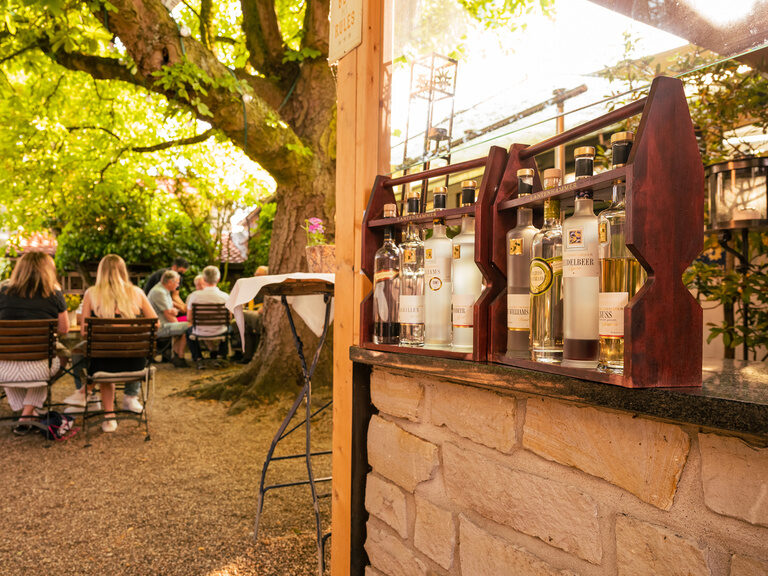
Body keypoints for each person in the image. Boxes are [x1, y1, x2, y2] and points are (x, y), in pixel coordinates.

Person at [79, 254, 158, 433]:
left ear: (100, 272)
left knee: (101, 356)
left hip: (103, 366)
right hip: (135, 364)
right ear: (123, 271)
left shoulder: (91, 293)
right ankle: (129, 397)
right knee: (112, 353)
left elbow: (84, 331)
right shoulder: (137, 292)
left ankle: (108, 416)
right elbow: (155, 323)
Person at [0, 252, 70, 435]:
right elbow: (64, 329)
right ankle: (27, 414)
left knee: (13, 363)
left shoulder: (2, 292)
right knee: (54, 363)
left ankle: (26, 412)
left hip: (3, 369)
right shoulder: (54, 294)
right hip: (39, 368)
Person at [185, 266, 230, 370]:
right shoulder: (225, 296)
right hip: (220, 331)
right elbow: (229, 317)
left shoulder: (194, 296)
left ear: (204, 280)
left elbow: (189, 318)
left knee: (188, 331)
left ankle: (198, 358)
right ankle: (220, 355)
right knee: (229, 329)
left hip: (199, 332)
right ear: (218, 279)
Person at [148, 270, 189, 367]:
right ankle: (179, 357)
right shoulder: (160, 292)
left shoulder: (162, 290)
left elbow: (171, 311)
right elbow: (169, 316)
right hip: (160, 327)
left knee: (185, 327)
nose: (178, 285)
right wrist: (178, 322)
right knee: (189, 327)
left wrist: (175, 311)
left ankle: (177, 356)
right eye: (177, 282)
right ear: (170, 282)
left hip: (161, 324)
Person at [238, 265, 269, 364]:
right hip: (250, 314)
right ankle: (247, 357)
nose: (255, 276)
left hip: (261, 316)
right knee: (244, 326)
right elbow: (243, 301)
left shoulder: (269, 287)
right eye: (255, 274)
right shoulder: (251, 288)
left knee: (240, 315)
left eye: (259, 275)